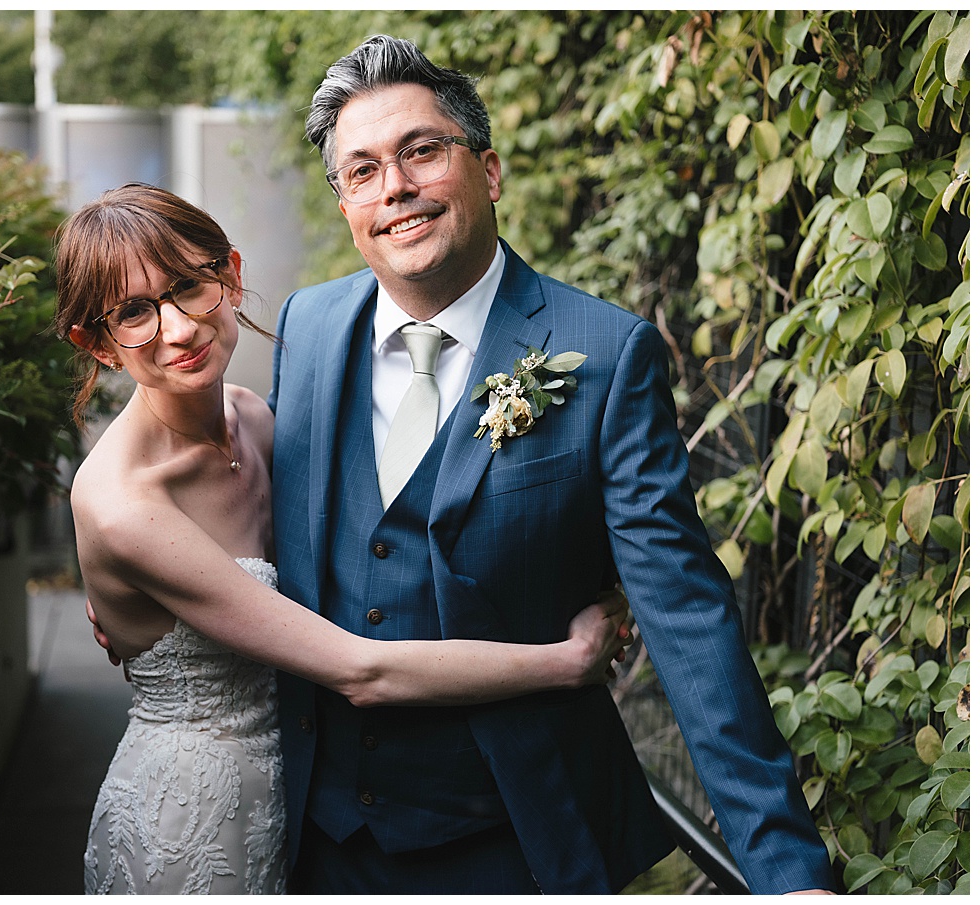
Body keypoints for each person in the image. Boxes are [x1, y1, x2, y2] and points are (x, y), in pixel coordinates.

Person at [261, 35, 837, 894]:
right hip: (315, 834)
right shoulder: (309, 327)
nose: (396, 189)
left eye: (423, 150)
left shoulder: (605, 355)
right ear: (344, 199)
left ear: (488, 171)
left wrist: (790, 876)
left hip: (514, 839)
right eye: (363, 169)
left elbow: (685, 614)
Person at [54, 183, 635, 894]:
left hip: (296, 803)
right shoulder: (122, 503)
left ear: (230, 277)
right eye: (134, 314)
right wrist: (568, 660)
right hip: (189, 818)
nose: (177, 328)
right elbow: (360, 668)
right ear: (99, 343)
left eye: (188, 287)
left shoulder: (255, 418)